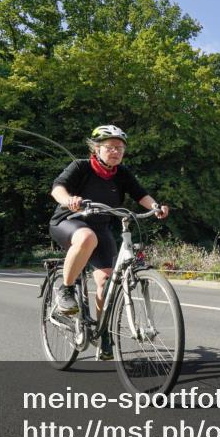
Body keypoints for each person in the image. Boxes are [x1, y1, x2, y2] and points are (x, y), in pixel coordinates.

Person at [49, 125, 169, 359]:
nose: (116, 152)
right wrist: (69, 200)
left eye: (120, 148)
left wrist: (155, 207)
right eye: (110, 147)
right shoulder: (81, 167)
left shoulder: (121, 173)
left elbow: (140, 194)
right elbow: (57, 189)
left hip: (101, 226)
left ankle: (104, 333)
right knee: (86, 237)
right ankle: (66, 289)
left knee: (106, 280)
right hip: (69, 221)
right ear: (96, 148)